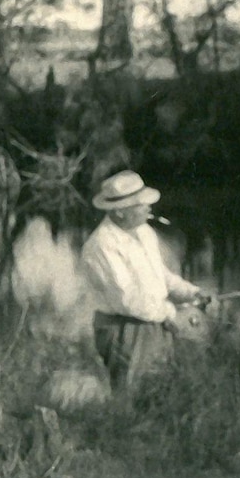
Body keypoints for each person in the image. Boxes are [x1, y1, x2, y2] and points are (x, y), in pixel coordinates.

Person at [81, 170, 210, 399]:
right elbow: (129, 300)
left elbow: (160, 275)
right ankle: (123, 433)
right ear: (120, 211)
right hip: (124, 330)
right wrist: (172, 314)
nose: (149, 208)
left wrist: (190, 292)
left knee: (160, 389)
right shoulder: (101, 246)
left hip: (153, 320)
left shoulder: (144, 231)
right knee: (131, 396)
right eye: (142, 204)